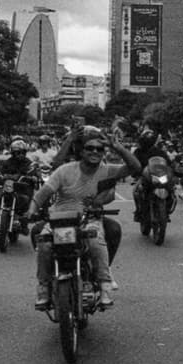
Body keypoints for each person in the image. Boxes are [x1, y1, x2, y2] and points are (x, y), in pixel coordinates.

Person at [28, 126, 141, 310]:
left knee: (96, 240)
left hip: (89, 219)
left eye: (99, 149)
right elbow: (43, 193)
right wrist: (32, 209)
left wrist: (117, 147)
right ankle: (44, 286)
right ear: (81, 151)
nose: (95, 152)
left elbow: (135, 167)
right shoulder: (64, 170)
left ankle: (104, 285)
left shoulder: (108, 170)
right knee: (43, 243)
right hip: (60, 219)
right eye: (90, 148)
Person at [0, 139, 39, 231]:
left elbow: (34, 172)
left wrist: (34, 177)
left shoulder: (28, 162)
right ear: (13, 153)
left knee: (26, 199)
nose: (20, 155)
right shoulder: (8, 162)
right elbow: (1, 172)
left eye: (22, 152)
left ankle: (24, 224)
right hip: (8, 187)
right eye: (18, 153)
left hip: (23, 188)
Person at [130, 128, 175, 222]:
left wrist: (172, 170)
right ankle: (139, 211)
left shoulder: (159, 151)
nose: (148, 141)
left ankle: (166, 211)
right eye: (146, 139)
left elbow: (168, 163)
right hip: (144, 176)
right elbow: (133, 163)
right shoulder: (138, 152)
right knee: (136, 191)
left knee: (171, 190)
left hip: (159, 176)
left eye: (150, 139)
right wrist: (134, 172)